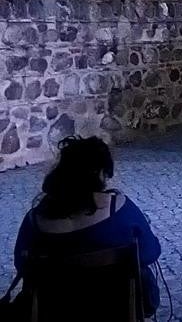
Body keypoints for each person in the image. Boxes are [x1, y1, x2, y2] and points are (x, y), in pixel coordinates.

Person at [14, 136, 162, 318]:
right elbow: (150, 252)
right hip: (115, 309)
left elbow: (22, 265)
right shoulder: (120, 209)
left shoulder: (35, 220)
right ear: (100, 173)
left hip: (55, 311)